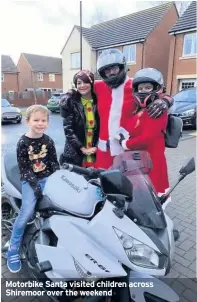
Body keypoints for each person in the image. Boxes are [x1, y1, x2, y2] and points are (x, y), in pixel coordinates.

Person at [94, 49, 174, 169]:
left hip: (129, 151)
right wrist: (70, 94)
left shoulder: (137, 86)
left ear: (122, 67)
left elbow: (159, 93)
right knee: (101, 183)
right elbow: (80, 88)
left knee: (130, 185)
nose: (111, 73)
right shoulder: (98, 86)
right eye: (107, 70)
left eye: (114, 68)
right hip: (104, 151)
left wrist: (166, 100)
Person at [7, 105, 60, 273]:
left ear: (48, 122)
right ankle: (13, 248)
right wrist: (36, 186)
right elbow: (25, 169)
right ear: (28, 121)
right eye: (36, 120)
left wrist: (59, 178)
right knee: (27, 212)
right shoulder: (23, 142)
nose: (40, 123)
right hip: (30, 180)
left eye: (43, 120)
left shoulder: (48, 140)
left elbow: (53, 163)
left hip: (47, 178)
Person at [116, 68, 170, 197]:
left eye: (147, 87)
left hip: (151, 159)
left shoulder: (156, 109)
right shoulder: (141, 109)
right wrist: (121, 134)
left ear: (156, 88)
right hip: (139, 159)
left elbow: (146, 139)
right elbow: (132, 126)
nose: (143, 91)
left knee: (151, 194)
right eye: (140, 88)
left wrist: (125, 143)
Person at [60, 70, 100, 167]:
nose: (82, 85)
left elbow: (103, 127)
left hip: (95, 150)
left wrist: (97, 146)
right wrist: (83, 149)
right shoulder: (71, 102)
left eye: (86, 82)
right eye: (79, 83)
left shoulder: (98, 101)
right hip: (75, 151)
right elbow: (68, 130)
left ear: (91, 83)